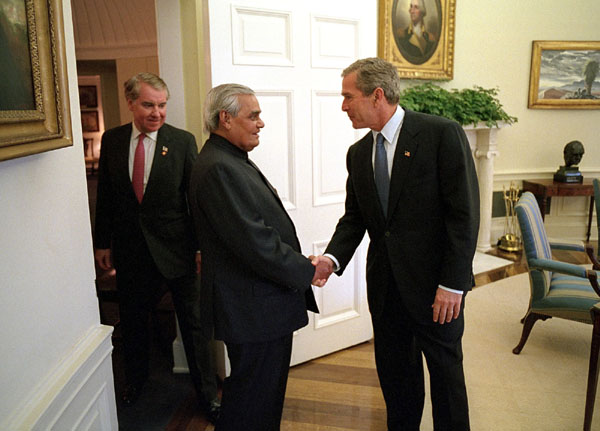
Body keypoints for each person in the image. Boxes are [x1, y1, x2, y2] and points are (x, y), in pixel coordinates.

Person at [313, 57, 480, 430]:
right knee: (397, 382)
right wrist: (331, 259)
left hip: (437, 290)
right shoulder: (357, 154)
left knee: (446, 381)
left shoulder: (441, 134)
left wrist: (453, 283)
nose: (343, 106)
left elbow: (463, 215)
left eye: (347, 96)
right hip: (387, 290)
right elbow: (355, 217)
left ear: (376, 96)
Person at [189, 83, 328, 430]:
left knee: (261, 400)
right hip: (253, 311)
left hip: (259, 308)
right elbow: (255, 243)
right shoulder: (219, 167)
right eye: (253, 116)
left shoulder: (230, 159)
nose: (260, 123)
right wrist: (305, 270)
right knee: (252, 403)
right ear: (225, 118)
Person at [94, 72, 220, 422]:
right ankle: (135, 386)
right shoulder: (113, 140)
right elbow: (105, 196)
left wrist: (199, 249)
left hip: (177, 251)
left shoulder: (181, 141)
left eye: (162, 105)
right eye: (149, 104)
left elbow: (194, 200)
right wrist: (102, 243)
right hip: (132, 252)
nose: (157, 112)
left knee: (194, 326)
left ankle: (208, 396)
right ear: (131, 103)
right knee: (133, 323)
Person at [394, 0, 437, 64]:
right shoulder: (402, 35)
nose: (412, 11)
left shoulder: (430, 38)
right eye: (411, 7)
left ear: (422, 12)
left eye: (416, 7)